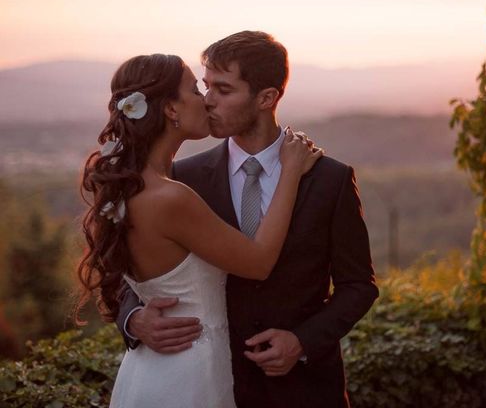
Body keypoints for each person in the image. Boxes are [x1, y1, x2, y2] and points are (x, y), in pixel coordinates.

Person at [117, 31, 379, 408]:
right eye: (205, 87)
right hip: (210, 382)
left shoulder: (329, 179)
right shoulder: (181, 178)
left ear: (266, 97)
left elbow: (359, 285)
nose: (208, 101)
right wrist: (134, 320)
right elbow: (137, 270)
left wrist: (302, 341)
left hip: (304, 390)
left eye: (223, 90)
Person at [77, 53, 322, 408]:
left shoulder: (129, 188)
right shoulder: (170, 196)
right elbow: (258, 262)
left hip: (151, 369)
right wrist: (290, 172)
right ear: (171, 111)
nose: (205, 99)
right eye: (195, 89)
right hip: (187, 375)